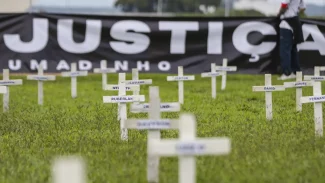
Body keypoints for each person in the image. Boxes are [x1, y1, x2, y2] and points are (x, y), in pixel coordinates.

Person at [277, 0, 306, 80]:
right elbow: (303, 8)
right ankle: (296, 72)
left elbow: (284, 5)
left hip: (286, 23)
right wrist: (294, 11)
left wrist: (279, 14)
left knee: (285, 49)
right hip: (295, 22)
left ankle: (287, 73)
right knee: (293, 49)